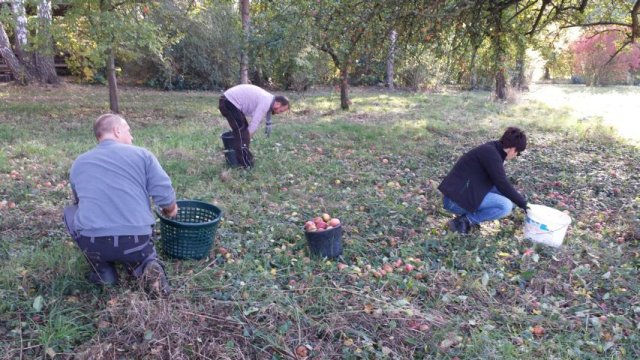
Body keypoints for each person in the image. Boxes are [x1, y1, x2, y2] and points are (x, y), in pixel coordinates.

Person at [63, 114, 177, 296]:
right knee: (139, 253)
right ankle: (145, 265)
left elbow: (79, 201)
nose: (131, 137)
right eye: (129, 131)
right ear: (117, 130)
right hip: (135, 241)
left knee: (70, 211)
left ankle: (103, 272)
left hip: (94, 242)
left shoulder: (79, 162)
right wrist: (171, 210)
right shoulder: (143, 155)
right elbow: (164, 195)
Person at [438, 127, 528, 234]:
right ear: (513, 149)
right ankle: (464, 221)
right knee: (505, 206)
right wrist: (525, 205)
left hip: (462, 192)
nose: (516, 156)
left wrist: (519, 201)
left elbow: (500, 184)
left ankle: (469, 218)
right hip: (454, 201)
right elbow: (502, 184)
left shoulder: (493, 149)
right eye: (518, 153)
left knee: (510, 198)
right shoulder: (492, 155)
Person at [218, 84, 290, 168]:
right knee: (242, 133)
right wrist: (246, 140)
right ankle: (245, 164)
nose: (278, 113)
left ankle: (238, 156)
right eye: (281, 110)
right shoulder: (266, 102)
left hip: (229, 101)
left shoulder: (268, 99)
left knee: (242, 131)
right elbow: (254, 125)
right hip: (229, 102)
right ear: (278, 103)